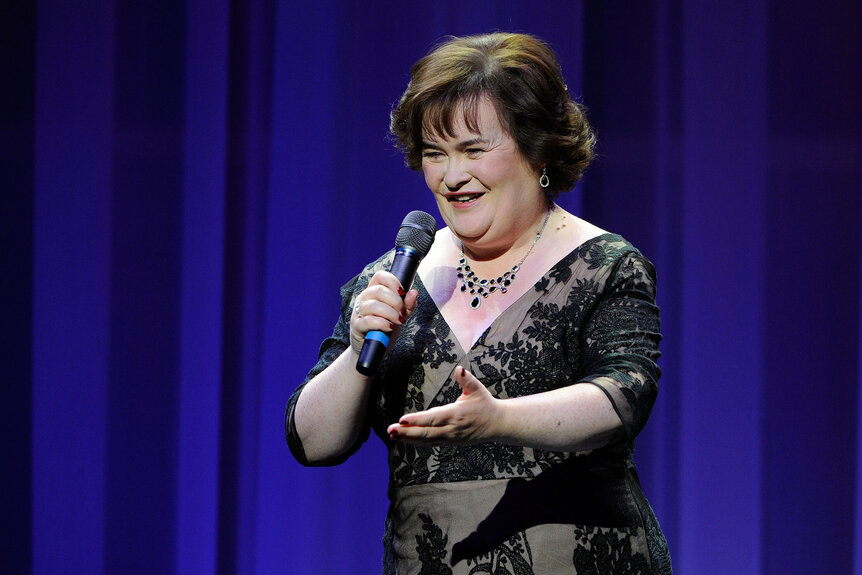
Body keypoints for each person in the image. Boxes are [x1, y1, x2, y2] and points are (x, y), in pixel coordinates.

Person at [285, 32, 672, 574]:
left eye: (473, 149)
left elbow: (624, 397)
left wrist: (498, 420)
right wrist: (356, 353)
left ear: (536, 148)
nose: (451, 176)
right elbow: (313, 442)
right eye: (434, 154)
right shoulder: (391, 277)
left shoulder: (604, 264)